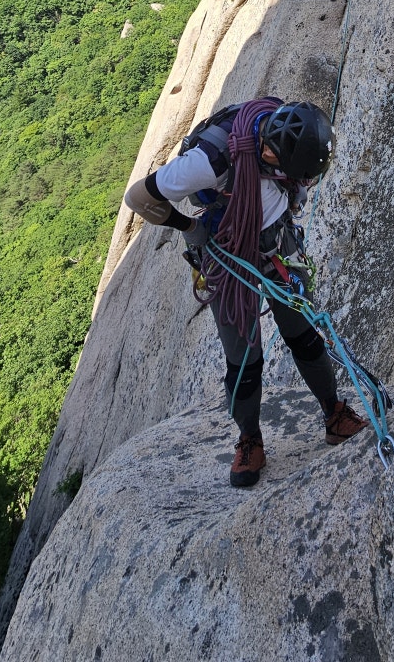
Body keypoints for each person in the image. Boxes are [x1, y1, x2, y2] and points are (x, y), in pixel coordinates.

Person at [124, 98, 367, 487]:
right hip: (228, 252)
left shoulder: (280, 121)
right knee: (245, 361)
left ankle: (334, 413)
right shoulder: (211, 162)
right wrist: (189, 227)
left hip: (278, 245)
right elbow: (138, 197)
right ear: (269, 152)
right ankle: (249, 439)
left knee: (304, 337)